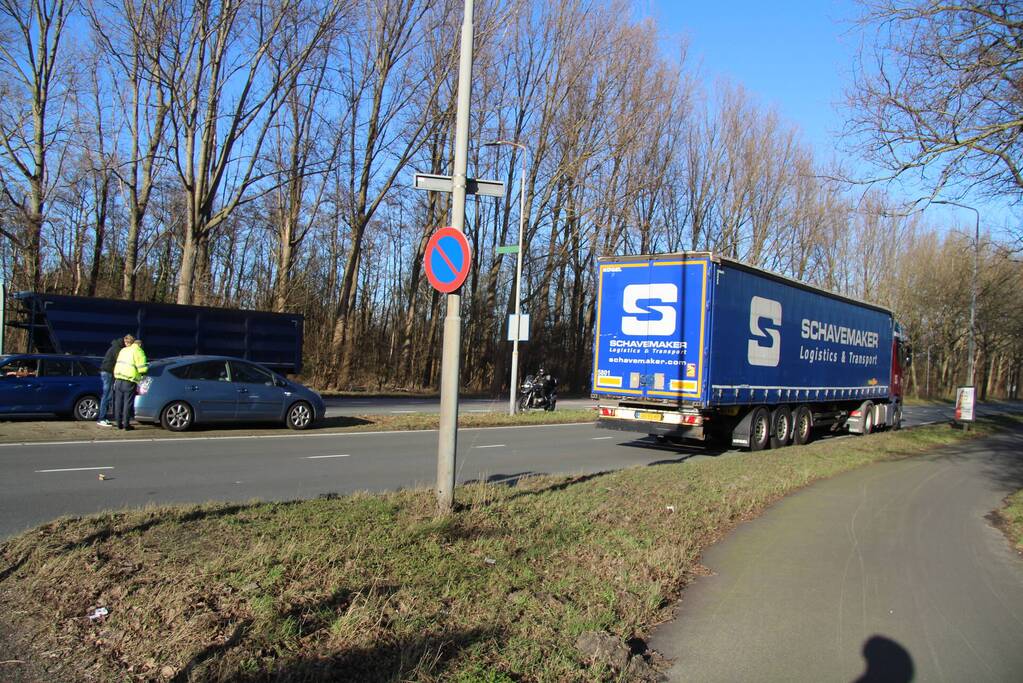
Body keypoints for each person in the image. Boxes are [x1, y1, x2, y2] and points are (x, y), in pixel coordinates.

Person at [112, 336, 147, 431]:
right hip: (129, 380)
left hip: (118, 379)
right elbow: (142, 368)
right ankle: (126, 425)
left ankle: (118, 423)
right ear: (139, 345)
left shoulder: (123, 350)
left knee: (118, 402)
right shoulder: (138, 351)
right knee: (127, 403)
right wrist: (143, 374)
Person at [96, 337, 124, 426]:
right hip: (108, 373)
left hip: (106, 372)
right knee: (107, 395)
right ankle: (101, 418)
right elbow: (119, 361)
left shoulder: (114, 347)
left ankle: (103, 417)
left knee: (108, 395)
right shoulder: (117, 349)